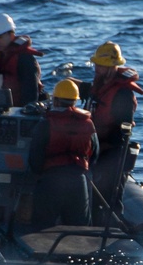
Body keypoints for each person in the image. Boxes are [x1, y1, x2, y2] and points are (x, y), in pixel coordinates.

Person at [78, 41, 143, 216]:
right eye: (96, 64)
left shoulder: (123, 94)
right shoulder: (98, 87)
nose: (97, 68)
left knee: (110, 199)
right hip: (94, 149)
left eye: (101, 65)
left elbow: (122, 132)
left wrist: (101, 148)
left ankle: (113, 226)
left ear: (112, 67)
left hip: (112, 153)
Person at [27, 78, 98, 229]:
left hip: (51, 180)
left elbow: (35, 159)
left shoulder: (45, 124)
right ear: (75, 101)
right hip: (78, 181)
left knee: (42, 228)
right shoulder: (88, 123)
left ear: (56, 100)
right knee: (79, 230)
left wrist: (40, 175)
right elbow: (94, 154)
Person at [0, 12, 42, 105]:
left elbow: (31, 94)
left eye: (0, 37)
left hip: (20, 110)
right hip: (3, 107)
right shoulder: (1, 55)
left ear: (11, 35)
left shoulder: (25, 59)